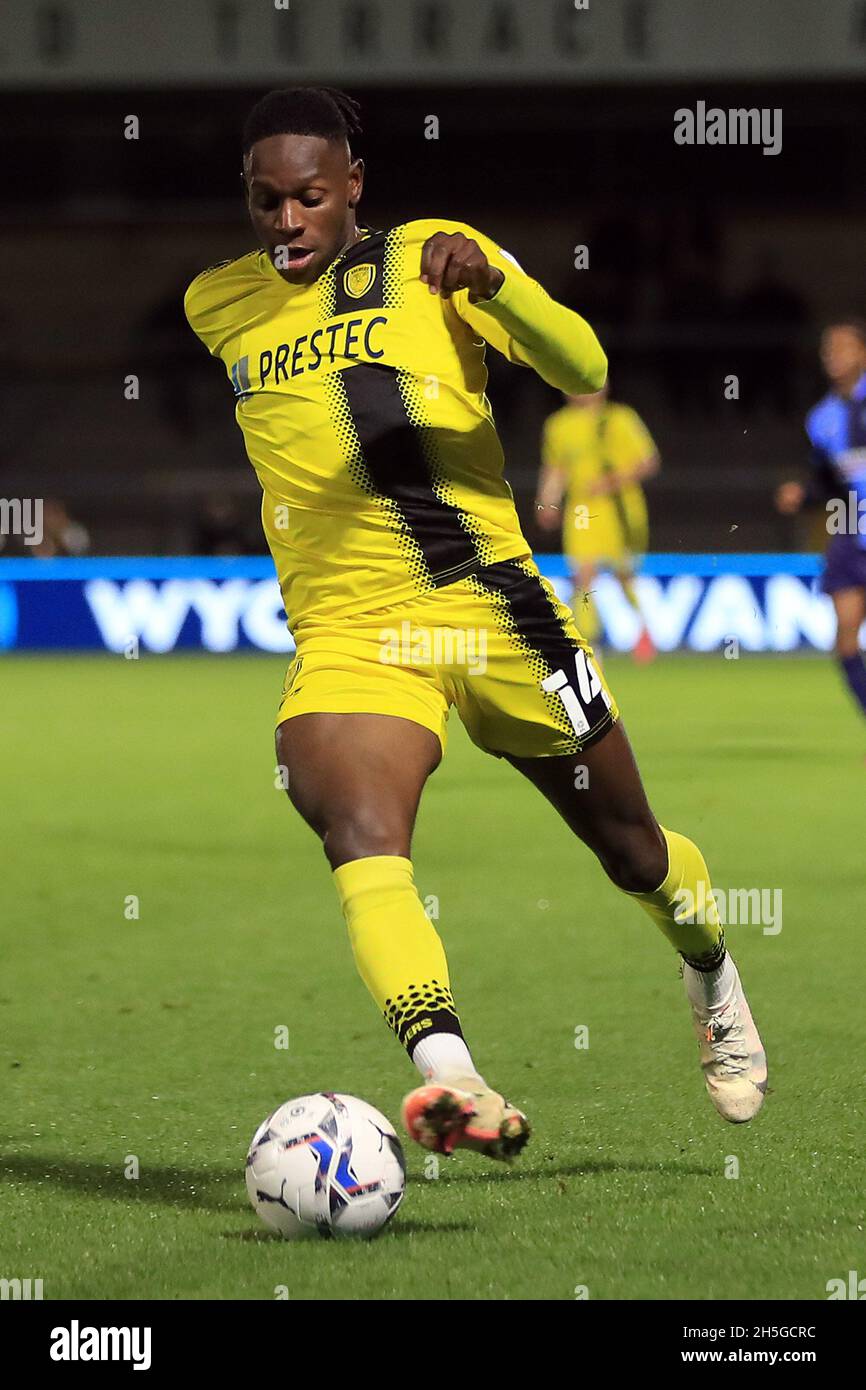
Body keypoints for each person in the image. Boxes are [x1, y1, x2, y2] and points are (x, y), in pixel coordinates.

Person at [184, 86, 766, 1164]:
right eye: (265, 201)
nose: (286, 221)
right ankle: (451, 1076)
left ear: (352, 184)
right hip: (350, 632)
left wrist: (496, 284)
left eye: (309, 196)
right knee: (358, 832)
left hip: (488, 606)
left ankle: (709, 969)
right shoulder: (216, 303)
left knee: (632, 850)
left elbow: (582, 369)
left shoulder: (433, 256)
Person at [776, 320, 866, 727]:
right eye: (828, 349)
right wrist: (804, 493)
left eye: (844, 347)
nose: (833, 355)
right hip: (849, 526)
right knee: (845, 637)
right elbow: (828, 481)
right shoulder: (822, 417)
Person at [535, 385, 659, 661]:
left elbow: (648, 461)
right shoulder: (558, 424)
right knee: (584, 573)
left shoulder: (620, 418)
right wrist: (547, 502)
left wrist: (611, 481)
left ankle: (644, 629)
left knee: (623, 574)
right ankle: (590, 644)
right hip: (580, 509)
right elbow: (555, 469)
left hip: (620, 507)